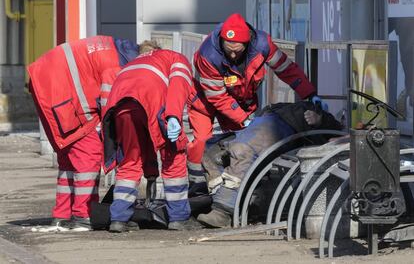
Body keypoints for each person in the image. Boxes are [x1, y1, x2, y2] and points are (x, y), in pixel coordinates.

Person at [187, 13, 327, 193]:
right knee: (202, 144)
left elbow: (286, 69)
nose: (231, 54)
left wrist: (309, 93)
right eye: (228, 49)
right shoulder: (209, 54)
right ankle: (201, 190)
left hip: (241, 98)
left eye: (237, 51)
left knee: (240, 144)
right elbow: (217, 96)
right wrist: (243, 119)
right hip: (205, 100)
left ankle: (236, 191)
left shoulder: (263, 45)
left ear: (248, 43)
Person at [28, 36, 140, 232]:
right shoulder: (118, 65)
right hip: (63, 94)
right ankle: (84, 214)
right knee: (88, 154)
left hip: (45, 84)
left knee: (69, 158)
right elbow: (109, 106)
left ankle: (61, 215)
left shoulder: (114, 47)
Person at [102, 41, 201, 232]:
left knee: (130, 161)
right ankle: (179, 218)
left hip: (121, 108)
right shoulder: (174, 57)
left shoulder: (130, 65)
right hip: (152, 102)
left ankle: (119, 219)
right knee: (173, 157)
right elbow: (178, 87)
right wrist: (173, 115)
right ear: (158, 49)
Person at [197, 101, 342, 228]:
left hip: (279, 126)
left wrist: (320, 119)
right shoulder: (294, 108)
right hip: (265, 119)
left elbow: (337, 130)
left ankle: (223, 212)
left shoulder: (315, 117)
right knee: (211, 150)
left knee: (242, 150)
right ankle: (225, 200)